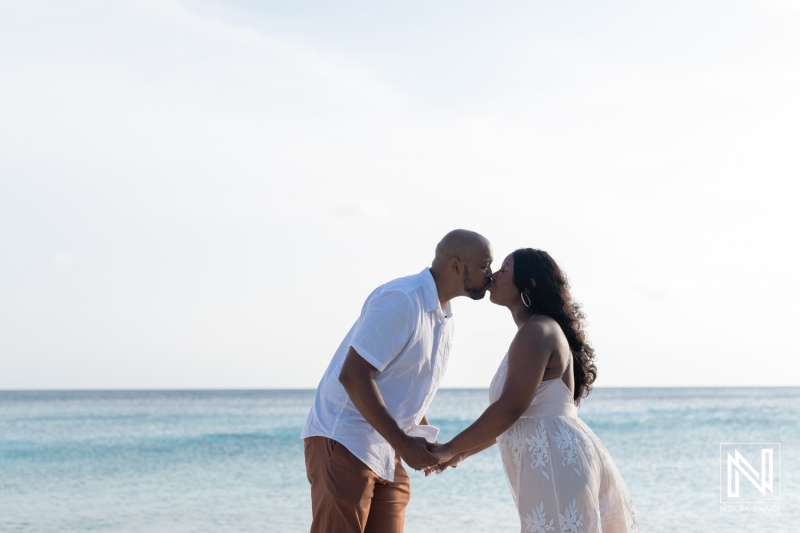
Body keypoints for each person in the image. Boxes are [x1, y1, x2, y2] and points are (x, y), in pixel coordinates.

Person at [430, 248, 639, 533]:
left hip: (555, 464)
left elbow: (509, 409)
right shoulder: (536, 329)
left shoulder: (536, 331)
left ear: (529, 285)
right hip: (551, 461)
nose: (493, 275)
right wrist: (462, 454)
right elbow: (521, 417)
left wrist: (448, 448)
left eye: (504, 269)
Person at [301, 229, 493, 533]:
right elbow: (353, 375)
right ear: (456, 266)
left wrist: (432, 447)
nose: (491, 275)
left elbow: (407, 388)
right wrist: (403, 442)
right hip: (346, 440)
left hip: (387, 450)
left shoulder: (443, 315)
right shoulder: (403, 299)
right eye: (485, 266)